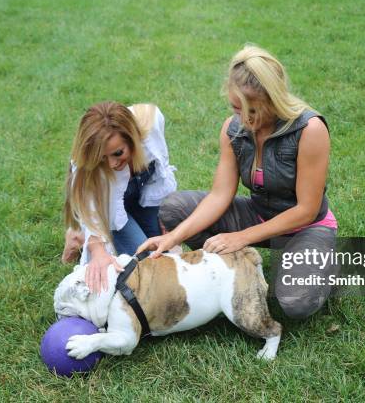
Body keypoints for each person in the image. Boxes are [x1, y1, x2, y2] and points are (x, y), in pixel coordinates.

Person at [137, 45, 339, 319]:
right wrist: (172, 237)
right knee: (174, 208)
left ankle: (325, 263)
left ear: (273, 100)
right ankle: (230, 272)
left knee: (294, 302)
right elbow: (220, 195)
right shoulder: (233, 129)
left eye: (252, 111)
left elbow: (306, 209)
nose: (243, 119)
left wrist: (239, 238)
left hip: (306, 226)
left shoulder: (309, 129)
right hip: (259, 215)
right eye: (236, 108)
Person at [62, 102, 177, 293]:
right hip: (110, 209)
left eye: (118, 153)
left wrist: (165, 219)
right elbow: (91, 210)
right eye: (103, 158)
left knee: (163, 257)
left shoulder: (151, 122)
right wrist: (98, 252)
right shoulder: (89, 166)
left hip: (142, 193)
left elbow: (161, 170)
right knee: (146, 268)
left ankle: (78, 233)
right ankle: (77, 236)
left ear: (132, 137)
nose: (112, 163)